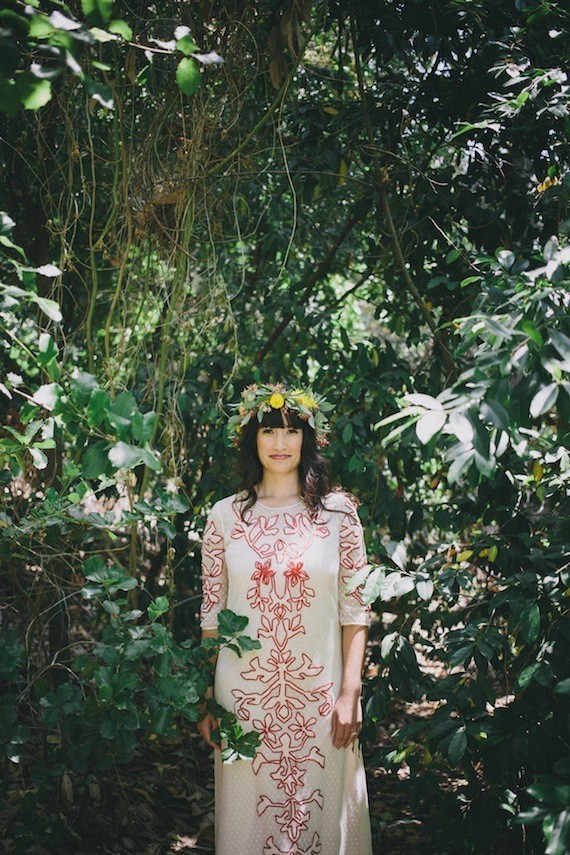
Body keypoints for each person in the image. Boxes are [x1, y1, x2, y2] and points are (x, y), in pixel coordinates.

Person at [197, 382, 373, 855]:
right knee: (247, 827)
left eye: (291, 431)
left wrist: (351, 693)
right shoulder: (224, 517)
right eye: (268, 431)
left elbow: (355, 609)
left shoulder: (339, 515)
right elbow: (212, 615)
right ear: (251, 439)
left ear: (307, 438)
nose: (280, 443)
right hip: (243, 701)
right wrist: (208, 698)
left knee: (323, 819)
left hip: (321, 700)